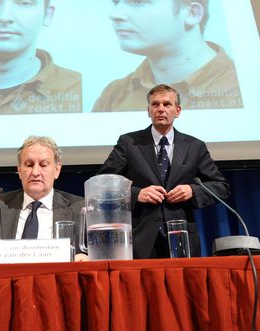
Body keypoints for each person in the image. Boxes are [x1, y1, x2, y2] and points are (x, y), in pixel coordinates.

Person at [92, 0, 242, 112]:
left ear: (192, 13)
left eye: (138, 1)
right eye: (115, 2)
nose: (115, 14)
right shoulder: (114, 94)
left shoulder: (243, 85)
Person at [98, 84, 230, 258]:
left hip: (182, 239)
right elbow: (103, 182)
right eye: (155, 104)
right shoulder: (129, 143)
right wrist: (137, 194)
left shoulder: (195, 146)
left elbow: (221, 187)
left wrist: (192, 191)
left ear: (178, 110)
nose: (160, 109)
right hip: (140, 239)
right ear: (148, 110)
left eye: (167, 104)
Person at [0, 136, 84, 248]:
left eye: (43, 165)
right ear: (19, 170)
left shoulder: (80, 209)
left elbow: (95, 254)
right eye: (29, 165)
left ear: (57, 170)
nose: (35, 172)